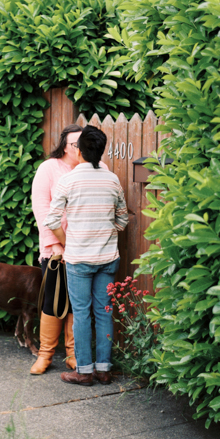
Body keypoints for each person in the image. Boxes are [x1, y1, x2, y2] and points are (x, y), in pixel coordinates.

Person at [44, 125, 128, 386]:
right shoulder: (112, 179)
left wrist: (69, 243)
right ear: (101, 152)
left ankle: (83, 372)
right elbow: (123, 219)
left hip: (78, 259)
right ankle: (103, 370)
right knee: (105, 311)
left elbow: (52, 219)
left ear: (79, 150)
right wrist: (106, 232)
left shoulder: (67, 181)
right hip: (107, 258)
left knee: (81, 314)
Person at [29, 124, 82, 374]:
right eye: (75, 143)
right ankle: (45, 355)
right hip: (56, 251)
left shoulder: (92, 167)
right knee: (52, 300)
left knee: (76, 303)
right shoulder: (48, 168)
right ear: (63, 144)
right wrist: (57, 246)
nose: (79, 148)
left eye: (83, 143)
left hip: (84, 251)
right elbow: (42, 210)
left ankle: (73, 354)